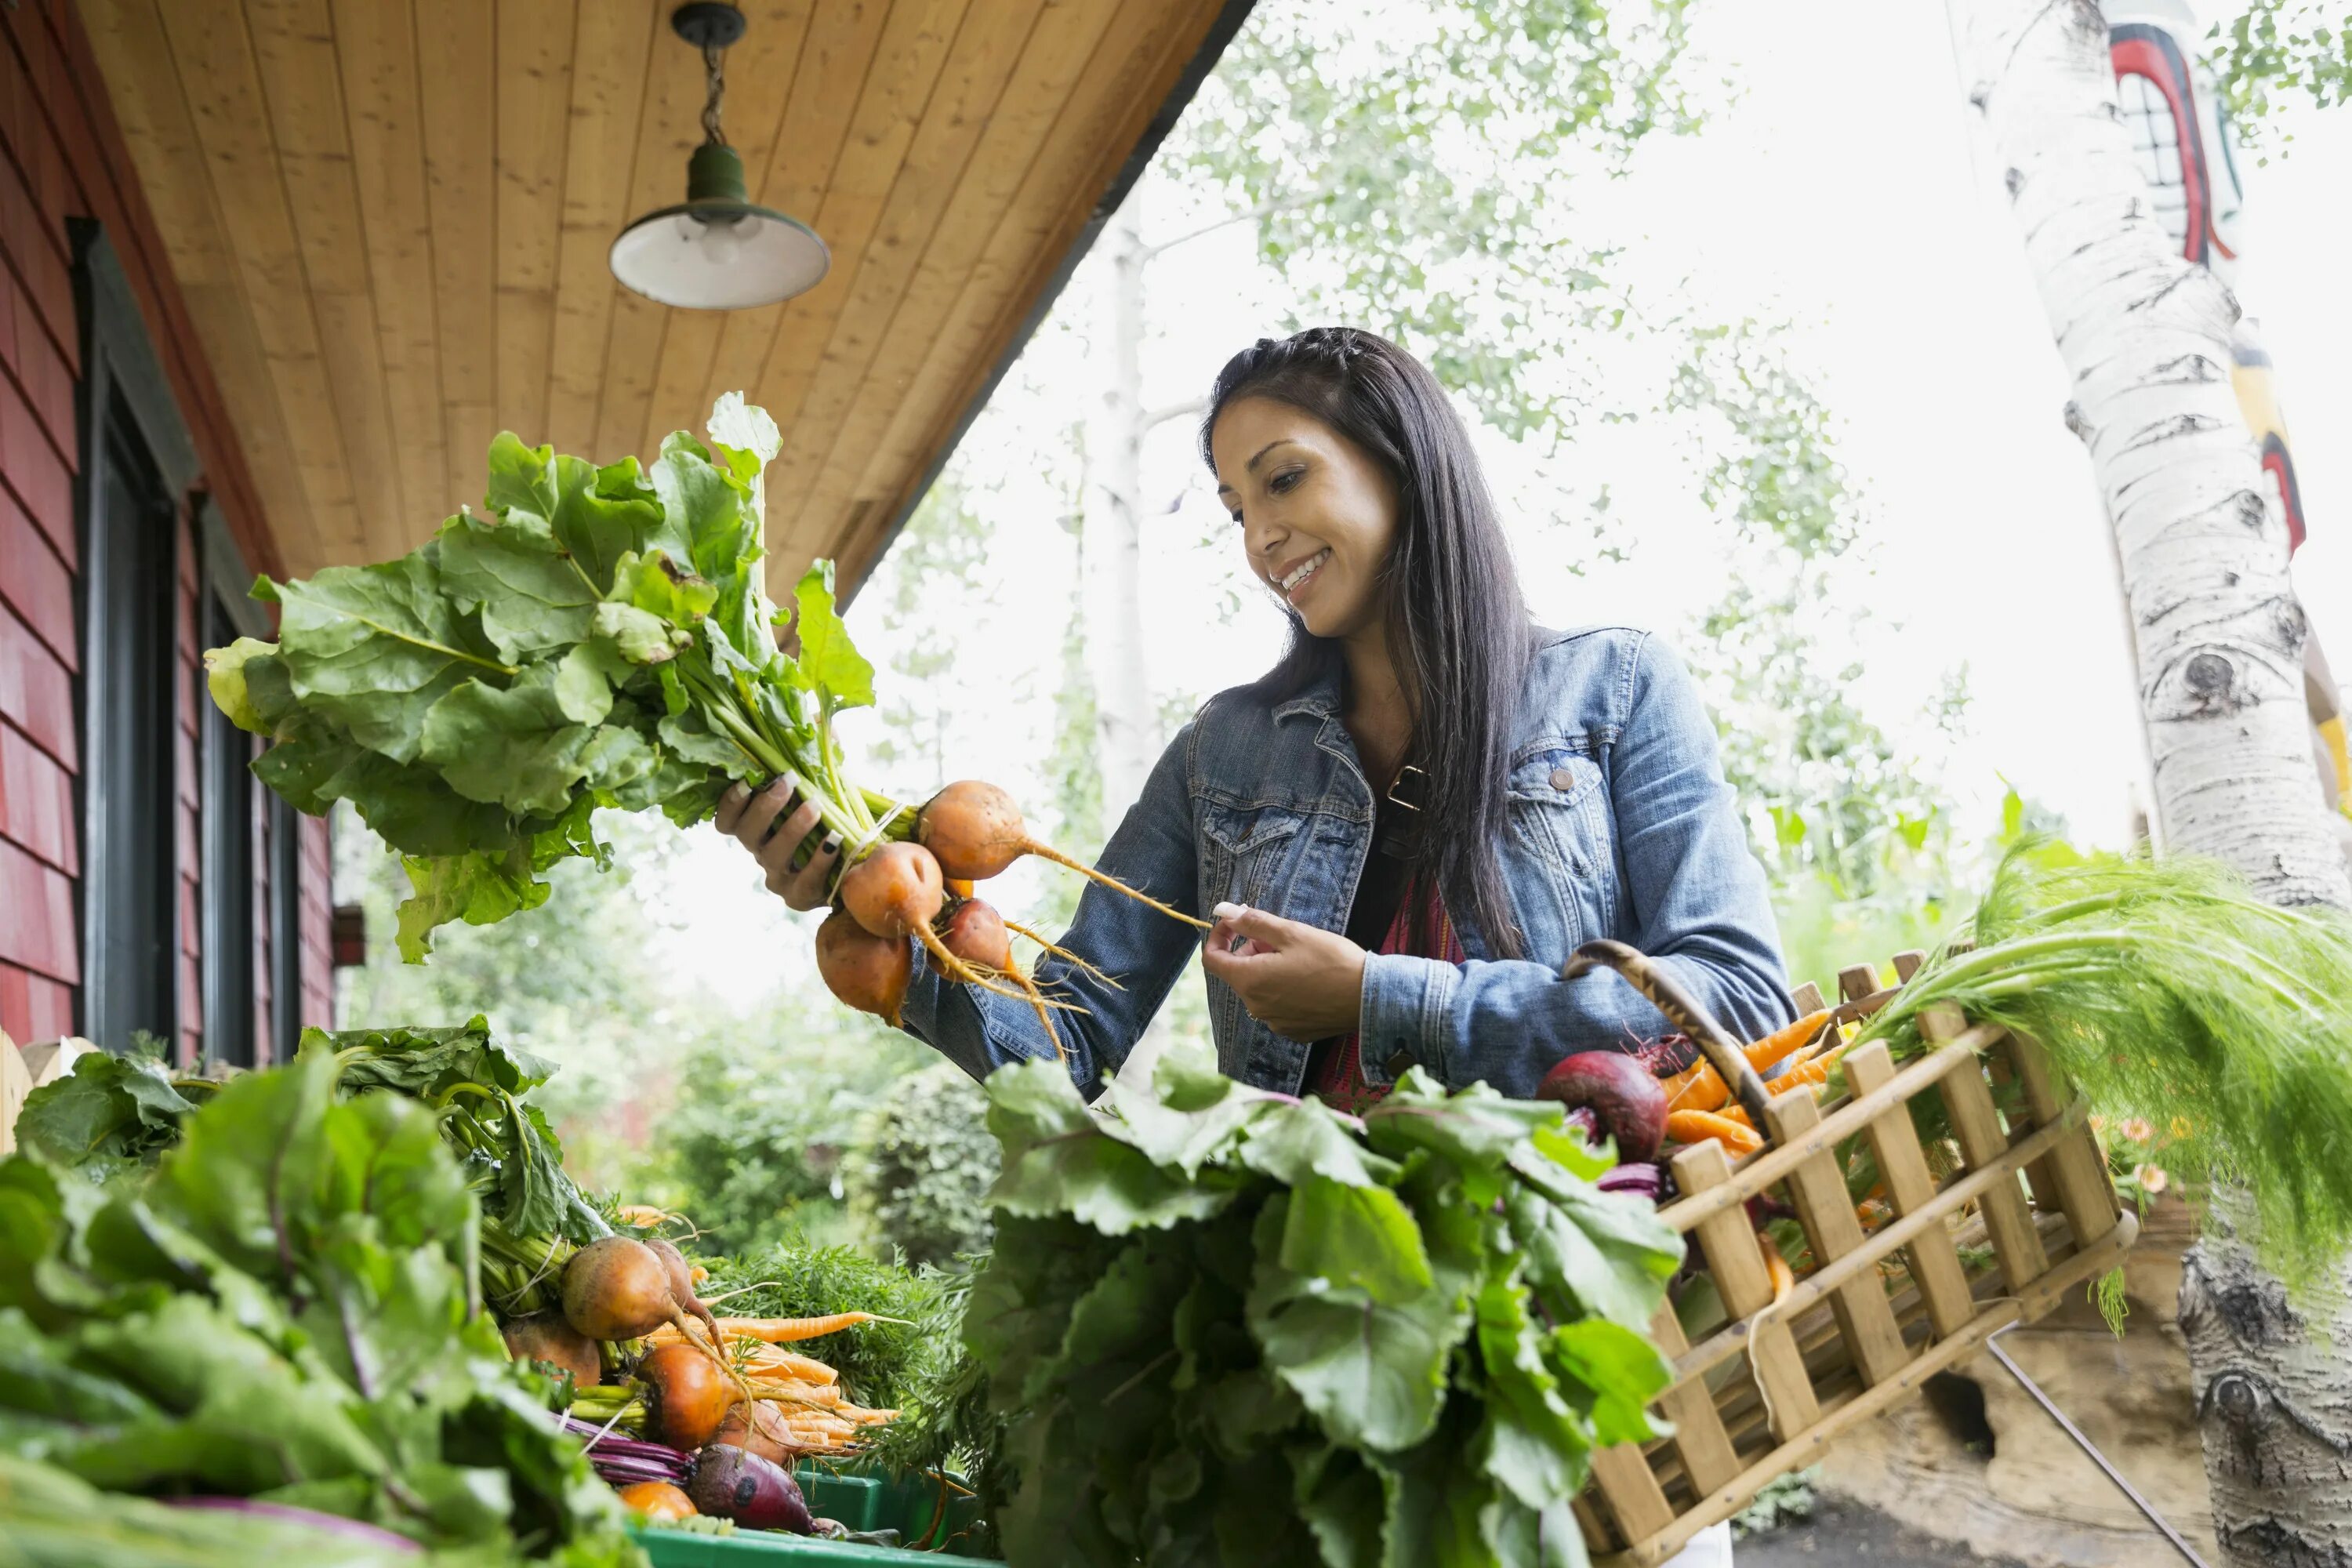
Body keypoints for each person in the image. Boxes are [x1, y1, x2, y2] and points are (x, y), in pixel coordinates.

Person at [717, 325, 1792, 1107]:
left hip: (1595, 1265)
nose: (1259, 538)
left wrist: (1379, 998)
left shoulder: (1616, 686)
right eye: (1237, 509)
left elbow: (1741, 1000)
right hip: (1317, 1291)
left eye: (1283, 481)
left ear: (1401, 462)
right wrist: (891, 927)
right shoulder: (1219, 757)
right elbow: (1069, 1046)